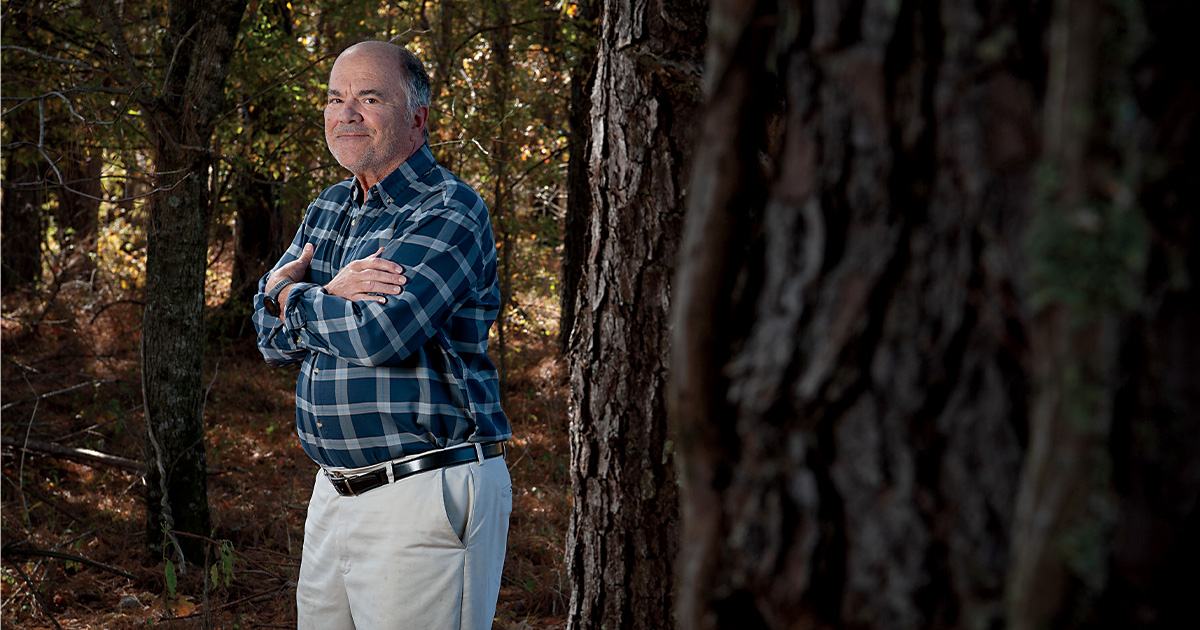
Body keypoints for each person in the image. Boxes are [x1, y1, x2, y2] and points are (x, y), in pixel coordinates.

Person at [253, 40, 512, 630]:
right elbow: (266, 335)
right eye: (335, 98)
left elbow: (380, 335)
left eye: (369, 98)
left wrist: (293, 293)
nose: (346, 113)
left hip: (424, 492)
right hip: (333, 494)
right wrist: (321, 298)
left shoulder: (447, 209)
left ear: (416, 116)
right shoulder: (327, 209)